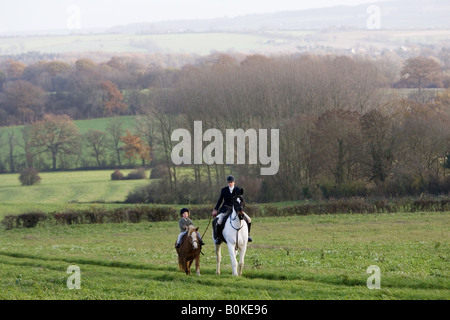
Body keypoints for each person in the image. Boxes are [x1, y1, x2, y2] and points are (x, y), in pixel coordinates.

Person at [212, 175, 252, 244]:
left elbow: (241, 201)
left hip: (237, 210)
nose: (230, 183)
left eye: (231, 182)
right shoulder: (224, 190)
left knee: (248, 219)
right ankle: (218, 238)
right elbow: (220, 200)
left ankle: (247, 235)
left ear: (234, 182)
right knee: (219, 221)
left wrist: (241, 208)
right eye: (229, 182)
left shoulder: (238, 190)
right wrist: (215, 209)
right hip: (225, 209)